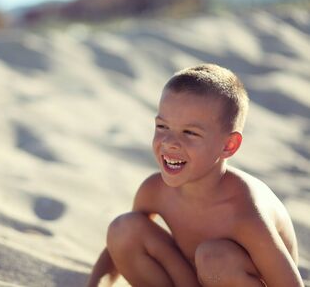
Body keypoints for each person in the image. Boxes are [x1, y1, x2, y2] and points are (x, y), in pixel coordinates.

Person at [87, 64, 304, 287]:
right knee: (124, 228)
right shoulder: (155, 190)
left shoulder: (245, 212)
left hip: (231, 274)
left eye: (190, 132)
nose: (170, 142)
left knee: (214, 258)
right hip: (191, 279)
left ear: (229, 145)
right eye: (162, 126)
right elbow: (117, 249)